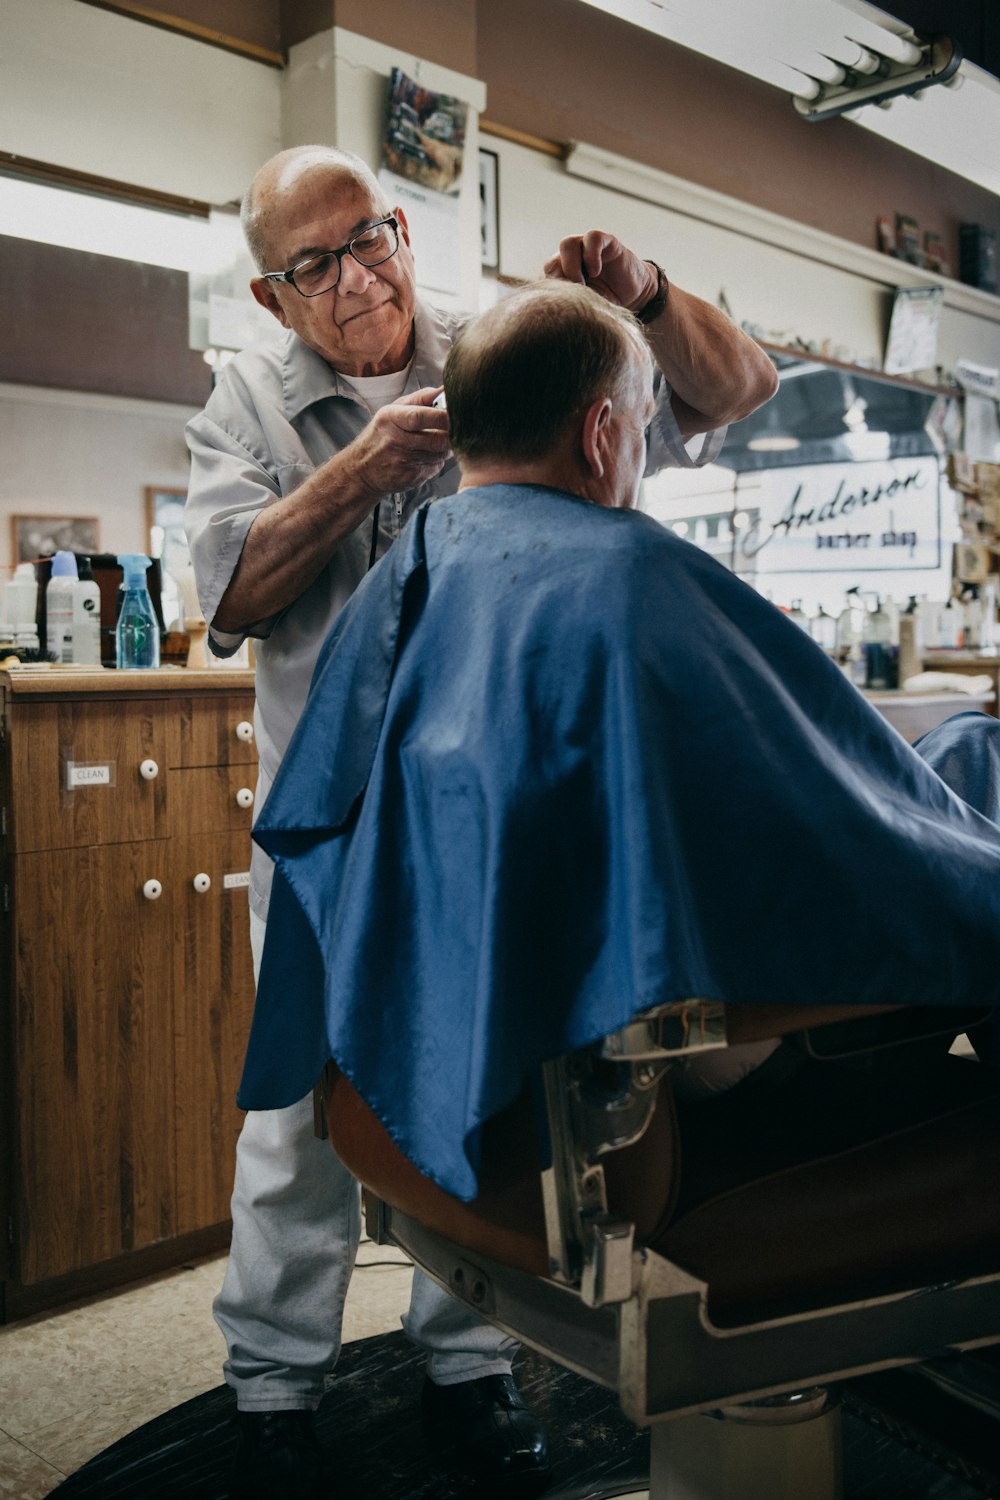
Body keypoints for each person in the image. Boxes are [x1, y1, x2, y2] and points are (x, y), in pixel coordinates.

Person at [183, 144, 778, 1499]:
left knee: (492, 1083)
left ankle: (469, 1365)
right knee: (301, 1116)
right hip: (339, 824)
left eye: (373, 234)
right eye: (315, 263)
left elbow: (735, 392)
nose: (360, 274)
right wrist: (363, 470)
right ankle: (272, 1386)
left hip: (494, 825)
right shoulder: (245, 407)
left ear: (401, 226)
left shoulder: (500, 347)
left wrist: (655, 295)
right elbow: (230, 597)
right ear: (277, 299)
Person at [240, 280, 1000, 1222]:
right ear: (602, 434)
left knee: (963, 760)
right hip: (673, 1054)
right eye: (644, 428)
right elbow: (837, 813)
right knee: (974, 780)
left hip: (486, 1048)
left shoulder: (400, 586)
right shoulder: (631, 574)